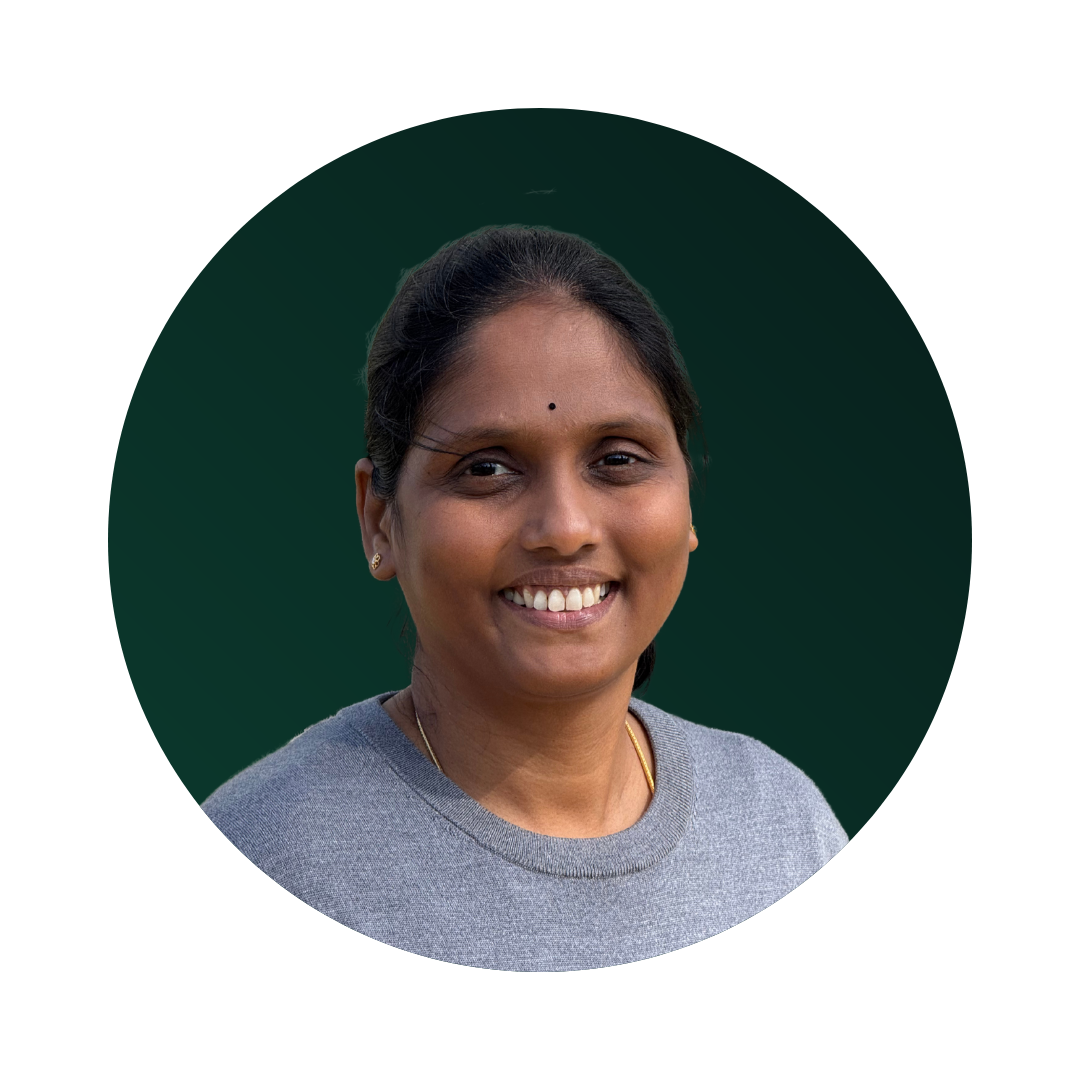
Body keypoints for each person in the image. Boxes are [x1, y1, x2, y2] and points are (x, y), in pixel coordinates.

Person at [203, 226, 847, 971]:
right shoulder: (264, 861)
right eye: (485, 469)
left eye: (618, 460)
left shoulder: (782, 823)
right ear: (380, 519)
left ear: (688, 504)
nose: (565, 528)